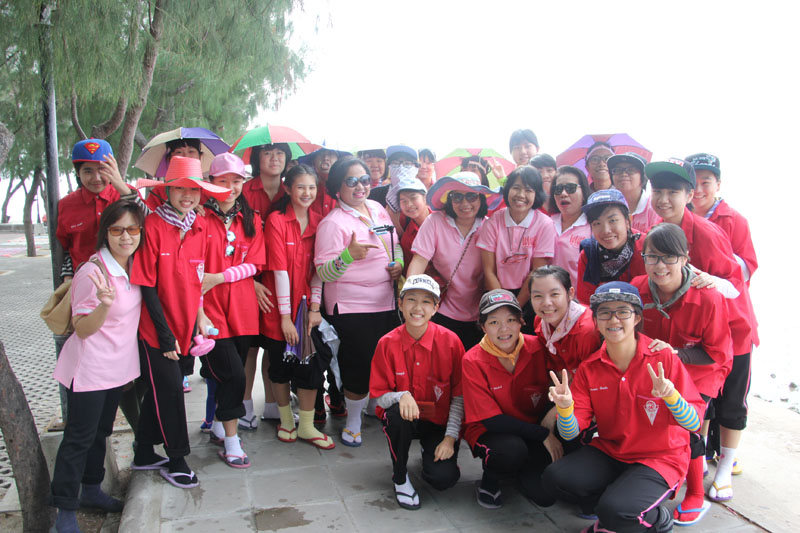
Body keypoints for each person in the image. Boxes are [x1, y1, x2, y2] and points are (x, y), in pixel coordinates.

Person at [543, 282, 704, 533]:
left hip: (660, 458)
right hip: (612, 451)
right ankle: (615, 512)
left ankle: (656, 519)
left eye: (623, 311)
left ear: (637, 318)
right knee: (555, 478)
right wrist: (565, 408)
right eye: (605, 312)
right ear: (596, 321)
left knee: (617, 510)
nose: (613, 319)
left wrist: (672, 397)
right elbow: (571, 433)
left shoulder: (662, 358)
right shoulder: (590, 367)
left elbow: (694, 424)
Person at [646, 158, 758, 502]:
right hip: (692, 333)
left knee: (732, 403)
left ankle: (725, 466)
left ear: (689, 195)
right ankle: (699, 462)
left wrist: (712, 280)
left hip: (733, 330)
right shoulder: (657, 231)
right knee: (699, 401)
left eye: (672, 192)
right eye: (658, 191)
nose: (664, 199)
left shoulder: (707, 233)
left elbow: (736, 285)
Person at [129, 156, 230, 488]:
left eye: (194, 189)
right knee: (172, 391)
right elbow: (146, 285)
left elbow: (196, 281)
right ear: (167, 191)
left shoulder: (199, 227)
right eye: (180, 189)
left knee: (162, 389)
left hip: (185, 329)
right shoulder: (152, 227)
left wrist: (199, 318)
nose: (187, 196)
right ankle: (177, 459)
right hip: (155, 330)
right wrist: (164, 334)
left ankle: (144, 452)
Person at [49, 201, 144, 533]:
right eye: (117, 230)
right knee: (78, 438)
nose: (125, 237)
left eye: (132, 229)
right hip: (89, 369)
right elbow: (82, 328)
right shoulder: (92, 272)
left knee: (101, 432)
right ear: (106, 233)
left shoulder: (136, 266)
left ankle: (92, 490)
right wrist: (104, 306)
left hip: (116, 368)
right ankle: (64, 512)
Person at [631, 222, 733, 525]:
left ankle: (696, 492)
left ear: (685, 259)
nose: (659, 265)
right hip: (655, 367)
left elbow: (717, 353)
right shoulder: (638, 288)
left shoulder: (708, 297)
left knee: (686, 425)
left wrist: (676, 354)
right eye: (652, 257)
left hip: (700, 370)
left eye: (669, 257)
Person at [314, 158, 402, 446]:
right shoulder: (333, 223)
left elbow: (395, 245)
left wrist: (398, 265)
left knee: (381, 361)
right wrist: (348, 256)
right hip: (352, 307)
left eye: (364, 180)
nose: (360, 186)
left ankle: (373, 406)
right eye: (351, 181)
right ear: (337, 187)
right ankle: (353, 423)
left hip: (386, 301)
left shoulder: (377, 208)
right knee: (358, 364)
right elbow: (323, 272)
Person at [370, 275, 464, 510]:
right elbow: (379, 396)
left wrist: (450, 438)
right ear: (400, 304)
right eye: (411, 299)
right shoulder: (386, 343)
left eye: (426, 301)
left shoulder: (451, 342)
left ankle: (429, 448)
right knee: (395, 416)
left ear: (436, 308)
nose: (417, 308)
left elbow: (459, 395)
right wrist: (401, 395)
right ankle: (400, 476)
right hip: (405, 418)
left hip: (438, 421)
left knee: (443, 479)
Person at [461, 289, 560, 509]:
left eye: (511, 320)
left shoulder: (538, 348)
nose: (504, 329)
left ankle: (519, 473)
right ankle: (490, 480)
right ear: (483, 327)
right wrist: (543, 435)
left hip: (531, 425)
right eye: (494, 322)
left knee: (545, 497)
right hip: (492, 431)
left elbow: (561, 384)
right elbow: (491, 420)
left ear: (521, 322)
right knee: (511, 451)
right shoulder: (472, 360)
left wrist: (552, 415)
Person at [198, 153, 266, 467]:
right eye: (222, 180)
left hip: (243, 310)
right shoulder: (197, 217)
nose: (230, 187)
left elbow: (255, 264)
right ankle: (232, 441)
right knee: (234, 375)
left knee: (232, 372)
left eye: (236, 180)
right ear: (210, 182)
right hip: (209, 310)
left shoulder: (251, 219)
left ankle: (216, 424)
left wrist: (219, 277)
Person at [263, 164, 335, 449]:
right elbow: (279, 271)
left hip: (307, 310)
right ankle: (286, 421)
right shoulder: (277, 221)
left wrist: (315, 308)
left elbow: (319, 270)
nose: (307, 193)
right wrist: (284, 318)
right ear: (288, 188)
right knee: (280, 365)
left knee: (312, 363)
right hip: (278, 309)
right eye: (301, 187)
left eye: (312, 187)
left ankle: (306, 426)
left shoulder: (321, 222)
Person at [407, 172, 502, 349]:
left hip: (480, 313)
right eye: (457, 197)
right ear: (450, 200)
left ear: (481, 199)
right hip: (442, 309)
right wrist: (410, 295)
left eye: (471, 196)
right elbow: (419, 261)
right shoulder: (434, 221)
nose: (465, 203)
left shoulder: (489, 226)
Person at [238, 142, 292, 427]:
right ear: (257, 158)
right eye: (268, 153)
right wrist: (250, 282)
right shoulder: (244, 191)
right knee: (249, 348)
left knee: (274, 346)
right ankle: (245, 406)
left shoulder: (291, 191)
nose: (274, 158)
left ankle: (272, 405)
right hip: (247, 278)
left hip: (278, 280)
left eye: (280, 153)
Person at [477, 166, 555, 330]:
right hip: (496, 291)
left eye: (528, 190)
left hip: (529, 294)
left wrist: (515, 307)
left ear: (537, 194)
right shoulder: (494, 221)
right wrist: (503, 306)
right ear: (507, 190)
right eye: (516, 188)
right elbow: (489, 271)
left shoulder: (545, 224)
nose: (521, 195)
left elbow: (536, 272)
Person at [57, 139, 127, 281]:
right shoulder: (66, 205)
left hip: (125, 282)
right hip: (84, 282)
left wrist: (122, 188)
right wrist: (68, 276)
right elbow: (66, 248)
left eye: (102, 169)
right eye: (88, 171)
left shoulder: (127, 195)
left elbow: (149, 227)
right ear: (77, 172)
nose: (96, 178)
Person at [686, 153, 757, 284]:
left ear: (718, 185)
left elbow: (746, 271)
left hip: (720, 293)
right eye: (693, 183)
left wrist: (714, 251)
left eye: (705, 183)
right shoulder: (673, 215)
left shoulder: (735, 220)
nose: (698, 190)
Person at [529, 265, 601, 378]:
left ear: (570, 293)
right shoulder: (540, 321)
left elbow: (592, 376)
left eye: (554, 294)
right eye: (538, 296)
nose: (546, 303)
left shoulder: (586, 330)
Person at [576, 189, 645, 304]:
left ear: (628, 221)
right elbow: (586, 302)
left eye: (612, 220)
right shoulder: (589, 254)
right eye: (597, 223)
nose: (606, 230)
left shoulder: (646, 248)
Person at [549, 166, 592, 288]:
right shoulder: (546, 223)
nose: (563, 193)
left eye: (570, 188)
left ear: (583, 193)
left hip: (579, 297)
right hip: (546, 296)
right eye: (558, 189)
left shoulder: (593, 227)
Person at [143, 138, 205, 210]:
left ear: (200, 157)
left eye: (191, 151)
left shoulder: (207, 190)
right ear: (170, 158)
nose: (185, 156)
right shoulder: (158, 192)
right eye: (179, 152)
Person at [607, 152, 661, 232]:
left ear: (643, 177)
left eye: (631, 170)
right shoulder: (606, 206)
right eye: (618, 170)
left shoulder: (654, 208)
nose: (624, 174)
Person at [392, 177, 431, 275]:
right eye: (403, 201)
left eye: (413, 198)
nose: (409, 204)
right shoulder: (407, 238)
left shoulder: (443, 221)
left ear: (425, 198)